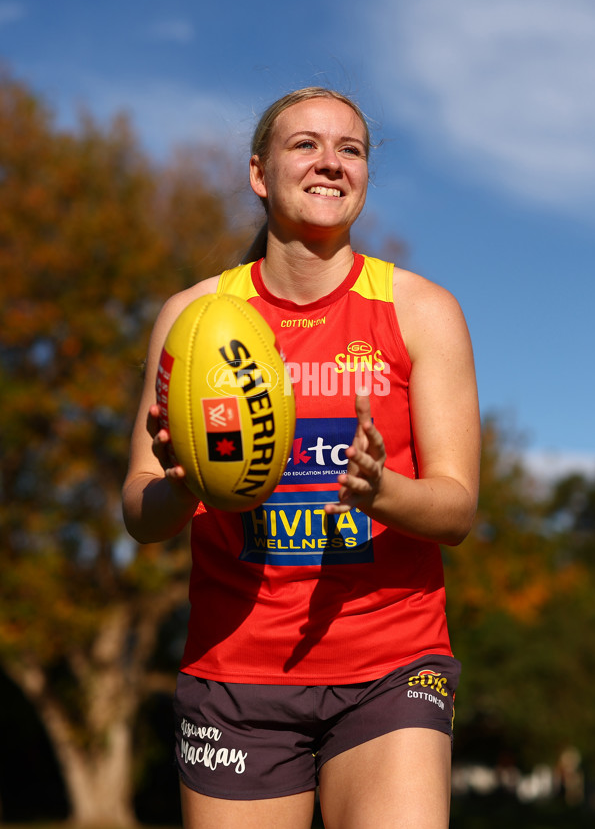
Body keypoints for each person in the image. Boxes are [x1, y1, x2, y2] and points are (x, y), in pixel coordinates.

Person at [122, 87, 480, 829]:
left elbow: (457, 508)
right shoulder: (192, 319)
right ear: (260, 174)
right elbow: (140, 511)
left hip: (391, 662)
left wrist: (381, 491)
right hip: (235, 671)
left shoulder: (420, 310)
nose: (331, 162)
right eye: (306, 145)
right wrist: (185, 487)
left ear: (365, 177)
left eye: (350, 149)